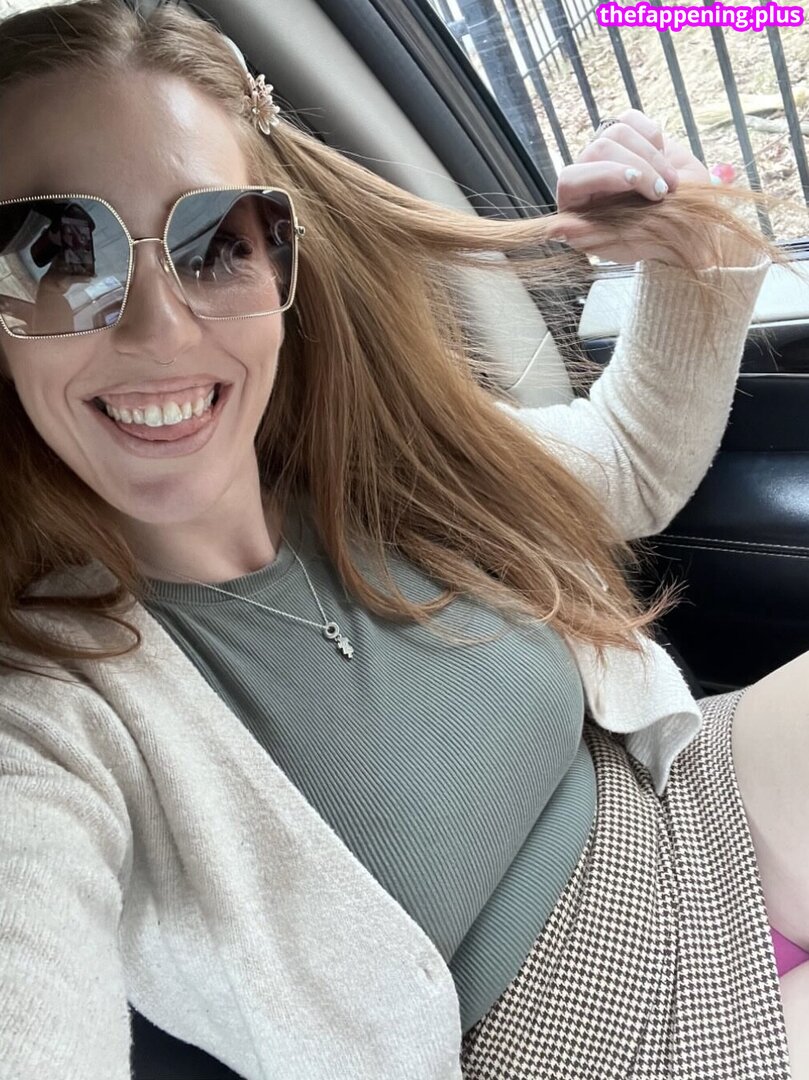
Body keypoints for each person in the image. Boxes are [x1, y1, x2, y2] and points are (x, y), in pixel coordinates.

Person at [0, 2, 805, 1078]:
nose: (158, 328)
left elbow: (624, 464)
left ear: (278, 261)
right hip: (587, 1047)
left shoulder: (368, 466)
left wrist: (688, 251)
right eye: (58, 253)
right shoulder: (43, 713)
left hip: (680, 799)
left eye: (215, 243)